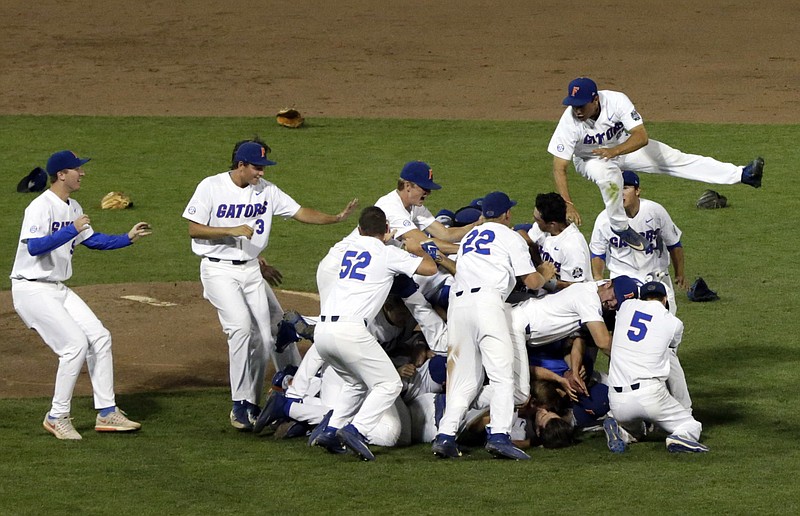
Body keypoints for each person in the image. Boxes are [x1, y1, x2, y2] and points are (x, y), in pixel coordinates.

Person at [182, 140, 358, 430]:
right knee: (240, 328)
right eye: (256, 168)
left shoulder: (267, 192)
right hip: (218, 271)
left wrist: (335, 218)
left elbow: (301, 212)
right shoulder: (211, 186)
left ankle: (266, 395)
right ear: (240, 165)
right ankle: (240, 404)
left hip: (251, 271)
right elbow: (193, 228)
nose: (261, 173)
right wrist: (230, 229)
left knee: (266, 338)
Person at [10, 150, 152, 440]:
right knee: (74, 345)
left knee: (100, 337)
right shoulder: (40, 206)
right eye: (77, 169)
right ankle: (56, 416)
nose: (82, 173)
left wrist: (127, 238)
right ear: (61, 174)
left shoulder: (73, 206)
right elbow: (35, 247)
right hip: (31, 288)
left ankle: (106, 412)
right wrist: (70, 230)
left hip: (57, 288)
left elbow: (92, 239)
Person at [548, 76, 764, 252]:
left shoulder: (617, 101)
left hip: (623, 146)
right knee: (608, 176)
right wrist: (568, 202)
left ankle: (743, 175)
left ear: (595, 99)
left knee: (674, 158)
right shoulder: (569, 122)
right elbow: (560, 167)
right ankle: (620, 227)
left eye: (581, 105)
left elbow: (641, 136)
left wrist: (615, 151)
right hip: (590, 159)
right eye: (573, 105)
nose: (576, 110)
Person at [432, 191, 556, 461]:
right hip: (488, 304)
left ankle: (445, 436)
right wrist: (545, 275)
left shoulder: (469, 238)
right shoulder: (510, 236)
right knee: (502, 374)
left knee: (463, 379)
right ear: (507, 215)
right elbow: (532, 282)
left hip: (459, 308)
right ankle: (499, 435)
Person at [309, 206, 438, 460]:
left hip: (322, 331)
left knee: (356, 383)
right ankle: (356, 431)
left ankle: (331, 431)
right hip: (350, 331)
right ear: (387, 230)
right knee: (389, 383)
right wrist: (421, 249)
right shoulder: (387, 253)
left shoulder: (350, 248)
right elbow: (430, 269)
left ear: (359, 230)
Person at [603, 281, 708, 453]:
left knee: (636, 432)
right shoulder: (674, 323)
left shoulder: (627, 306)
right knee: (690, 425)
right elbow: (671, 348)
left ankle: (620, 431)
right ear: (665, 299)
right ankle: (680, 438)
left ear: (641, 298)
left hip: (617, 400)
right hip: (650, 395)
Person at [590, 170, 686, 312]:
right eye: (616, 188)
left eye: (626, 188)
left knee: (666, 322)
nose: (620, 193)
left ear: (637, 191)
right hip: (622, 283)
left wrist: (680, 273)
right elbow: (597, 253)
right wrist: (598, 278)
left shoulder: (655, 211)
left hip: (657, 278)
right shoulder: (604, 219)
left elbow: (674, 244)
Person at [522, 192, 592, 291]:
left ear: (552, 224)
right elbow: (526, 239)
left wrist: (543, 279)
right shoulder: (542, 228)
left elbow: (575, 288)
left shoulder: (572, 246)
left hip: (569, 297)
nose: (534, 221)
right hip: (546, 292)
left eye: (537, 220)